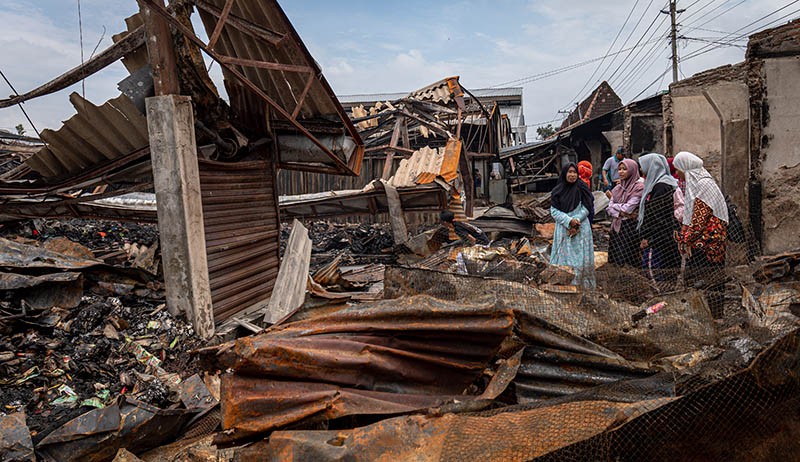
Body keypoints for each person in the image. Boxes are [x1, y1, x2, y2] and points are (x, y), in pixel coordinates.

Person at [672, 151, 728, 317]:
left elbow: (700, 218)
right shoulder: (695, 184)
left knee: (711, 280)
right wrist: (685, 236)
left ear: (685, 168)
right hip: (701, 242)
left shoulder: (704, 184)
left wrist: (685, 238)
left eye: (678, 169)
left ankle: (714, 316)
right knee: (698, 278)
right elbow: (691, 217)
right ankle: (700, 314)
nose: (677, 173)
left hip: (709, 244)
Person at [550, 163, 596, 288]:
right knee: (564, 258)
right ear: (564, 174)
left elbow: (587, 206)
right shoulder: (558, 190)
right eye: (569, 172)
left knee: (581, 257)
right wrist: (569, 221)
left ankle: (583, 286)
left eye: (574, 172)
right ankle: (565, 285)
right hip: (564, 227)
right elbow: (554, 211)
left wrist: (576, 219)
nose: (572, 175)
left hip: (581, 227)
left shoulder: (582, 188)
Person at [637, 153, 681, 280]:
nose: (641, 169)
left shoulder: (660, 187)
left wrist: (649, 239)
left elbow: (657, 217)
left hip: (657, 240)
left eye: (643, 166)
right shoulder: (660, 184)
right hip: (662, 238)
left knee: (652, 272)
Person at [606, 158, 644, 267]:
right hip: (617, 227)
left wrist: (616, 207)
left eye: (624, 169)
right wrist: (620, 212)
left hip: (630, 228)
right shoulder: (618, 188)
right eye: (619, 169)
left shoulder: (639, 187)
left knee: (627, 258)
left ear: (632, 170)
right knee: (615, 259)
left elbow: (628, 208)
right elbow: (609, 209)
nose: (621, 172)